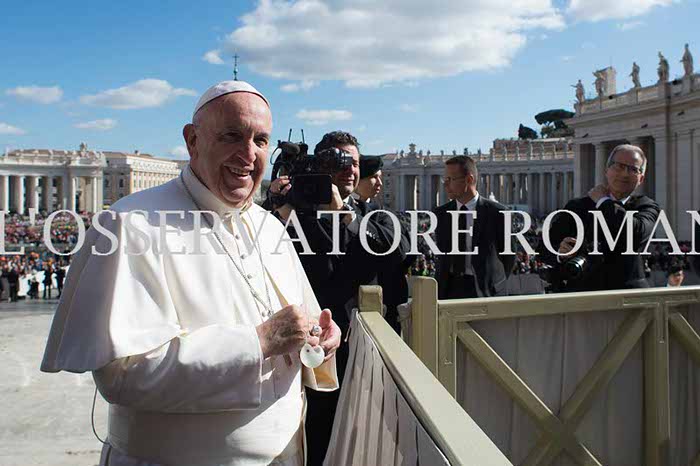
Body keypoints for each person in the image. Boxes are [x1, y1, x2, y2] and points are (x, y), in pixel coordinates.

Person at [41, 81, 341, 466]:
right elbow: (124, 373)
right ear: (192, 140)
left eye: (261, 140)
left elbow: (301, 324)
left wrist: (319, 337)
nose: (249, 154)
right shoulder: (129, 224)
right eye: (232, 135)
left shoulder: (270, 227)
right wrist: (259, 342)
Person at [274, 131, 407, 465]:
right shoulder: (288, 213)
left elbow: (396, 253)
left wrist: (345, 215)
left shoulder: (373, 216)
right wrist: (275, 206)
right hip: (296, 354)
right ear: (319, 167)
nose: (350, 169)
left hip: (356, 353)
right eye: (340, 162)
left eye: (355, 163)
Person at [546, 144, 660, 291]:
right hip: (582, 292)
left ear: (641, 179)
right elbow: (545, 248)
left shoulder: (647, 206)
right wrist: (561, 254)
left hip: (628, 294)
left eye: (633, 169)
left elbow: (635, 233)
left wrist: (603, 201)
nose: (625, 174)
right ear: (607, 170)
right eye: (619, 166)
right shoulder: (577, 206)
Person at [433, 155, 515, 299]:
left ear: (469, 180)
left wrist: (495, 284)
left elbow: (509, 257)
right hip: (448, 290)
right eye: (444, 179)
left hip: (486, 291)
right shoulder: (440, 214)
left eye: (451, 179)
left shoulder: (498, 213)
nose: (445, 185)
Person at [353, 154, 411, 334]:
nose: (379, 183)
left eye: (381, 177)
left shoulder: (384, 213)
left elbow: (403, 249)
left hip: (387, 300)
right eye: (373, 177)